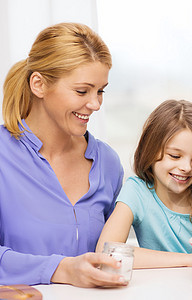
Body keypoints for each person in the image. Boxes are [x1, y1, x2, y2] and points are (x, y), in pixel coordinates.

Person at [0, 23, 125, 287]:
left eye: (100, 90)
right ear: (39, 84)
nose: (95, 104)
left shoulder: (108, 163)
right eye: (82, 91)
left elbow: (112, 252)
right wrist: (61, 269)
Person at [96, 99, 192, 268]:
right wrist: (190, 260)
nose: (186, 167)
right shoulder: (137, 191)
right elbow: (106, 253)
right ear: (150, 149)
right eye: (175, 156)